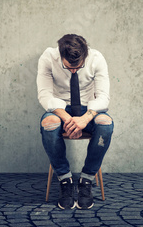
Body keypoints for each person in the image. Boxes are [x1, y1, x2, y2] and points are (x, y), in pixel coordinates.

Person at [37, 34, 114, 210]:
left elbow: (104, 98)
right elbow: (45, 95)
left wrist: (85, 118)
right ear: (60, 55)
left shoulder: (96, 58)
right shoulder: (48, 57)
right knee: (49, 124)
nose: (73, 71)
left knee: (105, 124)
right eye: (68, 67)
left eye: (77, 68)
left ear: (85, 55)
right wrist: (68, 119)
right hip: (59, 109)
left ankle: (86, 180)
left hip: (89, 109)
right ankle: (65, 180)